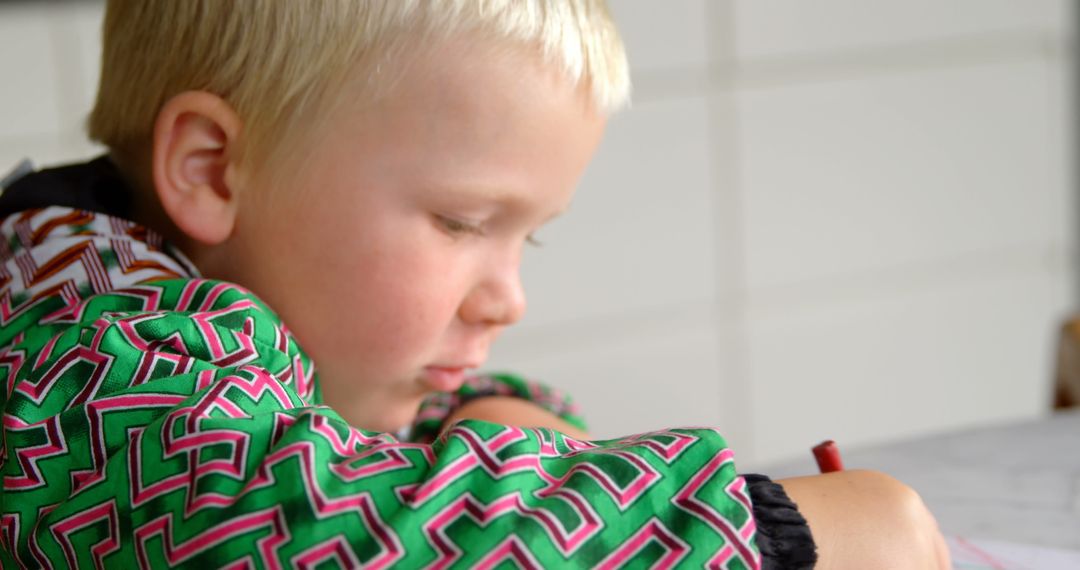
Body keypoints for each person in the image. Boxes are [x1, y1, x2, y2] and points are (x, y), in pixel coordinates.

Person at [0, 1, 949, 567]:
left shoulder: (136, 279)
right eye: (460, 223)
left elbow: (346, 431)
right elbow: (305, 530)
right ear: (211, 170)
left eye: (527, 241)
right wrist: (765, 531)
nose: (508, 301)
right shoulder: (88, 353)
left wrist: (488, 409)